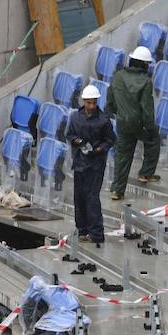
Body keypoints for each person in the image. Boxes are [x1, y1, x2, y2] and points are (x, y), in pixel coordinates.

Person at [106, 45, 161, 201]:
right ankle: (146, 173)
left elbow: (110, 100)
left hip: (122, 122)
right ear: (144, 64)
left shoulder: (118, 76)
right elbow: (147, 108)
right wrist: (149, 128)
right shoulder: (146, 81)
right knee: (154, 140)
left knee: (122, 156)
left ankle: (117, 190)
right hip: (138, 124)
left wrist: (118, 112)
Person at [67, 84, 116, 243]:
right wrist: (78, 142)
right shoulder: (75, 117)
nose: (92, 106)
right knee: (79, 197)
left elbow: (111, 139)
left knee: (92, 196)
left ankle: (96, 233)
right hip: (80, 162)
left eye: (94, 103)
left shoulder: (103, 120)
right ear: (84, 101)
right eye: (89, 102)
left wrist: (99, 149)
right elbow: (70, 135)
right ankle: (82, 230)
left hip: (95, 164)